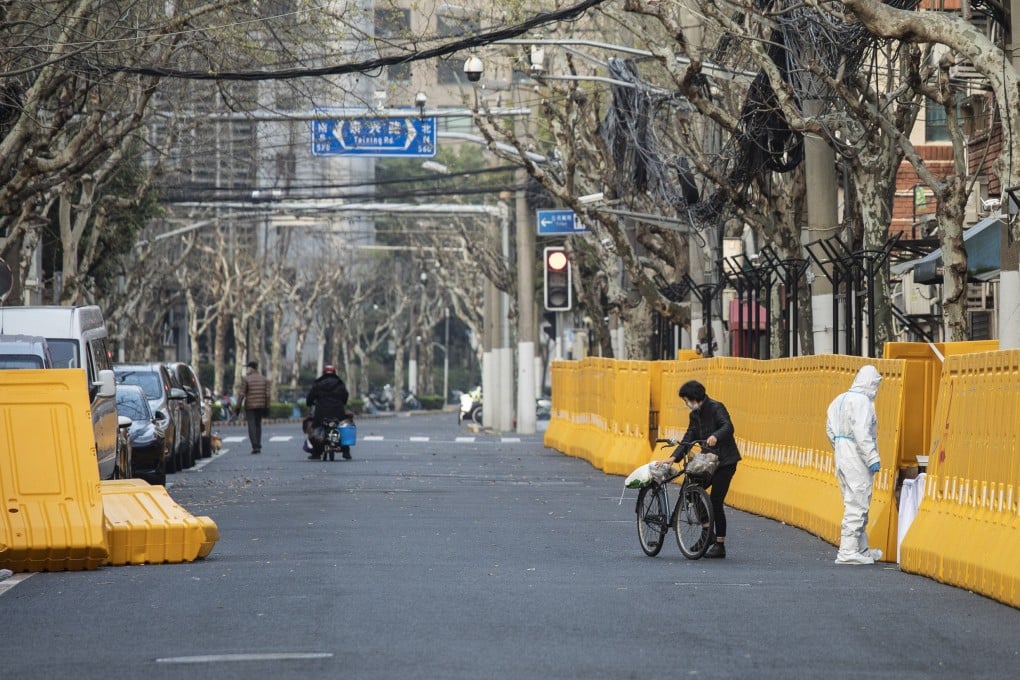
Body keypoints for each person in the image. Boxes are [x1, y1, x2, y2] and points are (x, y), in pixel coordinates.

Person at [657, 380, 740, 559]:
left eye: (686, 399)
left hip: (725, 461)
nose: (686, 403)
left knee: (716, 500)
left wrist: (715, 436)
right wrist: (673, 458)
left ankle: (719, 544)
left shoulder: (716, 407)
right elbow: (689, 437)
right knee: (690, 489)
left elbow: (728, 426)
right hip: (707, 461)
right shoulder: (695, 415)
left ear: (694, 398)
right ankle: (706, 531)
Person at [826, 364, 883, 566]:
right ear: (870, 383)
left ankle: (862, 549)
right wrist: (872, 458)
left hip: (841, 453)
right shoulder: (862, 402)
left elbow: (830, 431)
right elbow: (863, 433)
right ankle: (848, 552)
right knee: (858, 502)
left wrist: (840, 447)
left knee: (852, 500)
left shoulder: (838, 400)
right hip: (856, 456)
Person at [306, 365, 350, 460]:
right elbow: (345, 397)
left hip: (321, 413)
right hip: (338, 412)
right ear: (334, 373)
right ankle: (346, 451)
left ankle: (316, 453)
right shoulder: (340, 383)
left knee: (315, 428)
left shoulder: (318, 383)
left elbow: (310, 398)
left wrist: (309, 403)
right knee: (343, 427)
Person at [237, 361, 270, 455]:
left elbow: (241, 394)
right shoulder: (264, 379)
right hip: (261, 405)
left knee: (251, 425)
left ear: (251, 368)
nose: (247, 370)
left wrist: (238, 407)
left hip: (250, 406)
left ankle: (255, 446)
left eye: (248, 368)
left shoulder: (246, 379)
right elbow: (268, 395)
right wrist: (267, 407)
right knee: (258, 425)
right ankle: (258, 444)